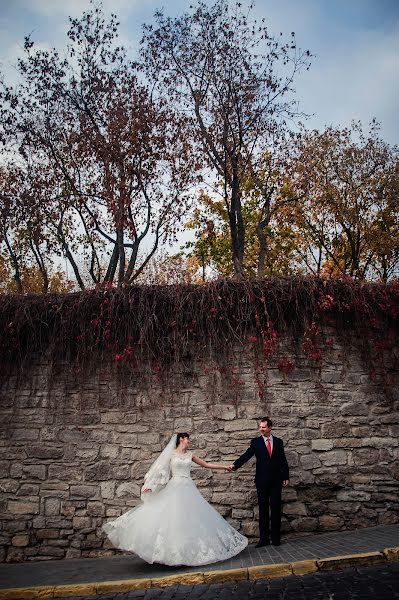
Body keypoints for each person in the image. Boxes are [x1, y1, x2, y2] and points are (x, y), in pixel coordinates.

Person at [102, 432, 248, 566]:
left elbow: (207, 465)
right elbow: (159, 472)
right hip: (175, 486)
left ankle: (186, 552)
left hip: (188, 487)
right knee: (171, 518)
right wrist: (150, 486)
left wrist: (225, 467)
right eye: (187, 439)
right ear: (181, 440)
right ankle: (170, 553)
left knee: (190, 519)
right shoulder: (171, 454)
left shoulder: (191, 455)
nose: (189, 442)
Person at [228, 417, 289, 547]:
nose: (261, 429)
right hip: (261, 481)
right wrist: (235, 465)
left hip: (276, 481)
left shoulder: (278, 442)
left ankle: (276, 538)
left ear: (270, 428)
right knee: (263, 510)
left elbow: (283, 460)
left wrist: (286, 476)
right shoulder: (255, 442)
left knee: (276, 509)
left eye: (263, 427)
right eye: (260, 427)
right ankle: (264, 539)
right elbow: (247, 455)